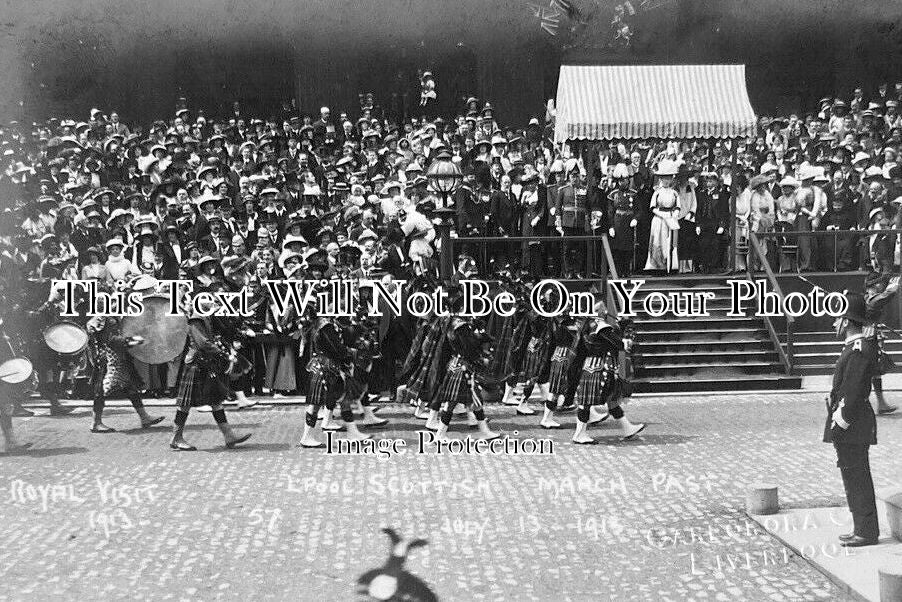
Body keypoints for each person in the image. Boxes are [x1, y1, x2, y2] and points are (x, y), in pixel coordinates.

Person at [824, 292, 879, 547]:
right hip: (851, 425)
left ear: (846, 321)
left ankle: (866, 532)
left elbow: (854, 391)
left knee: (857, 477)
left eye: (837, 319)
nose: (834, 324)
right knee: (852, 475)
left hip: (853, 425)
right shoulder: (854, 347)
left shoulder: (858, 349)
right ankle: (861, 527)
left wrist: (840, 422)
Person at [170, 299, 252, 451]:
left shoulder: (207, 317)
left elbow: (222, 332)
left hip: (206, 364)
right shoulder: (196, 320)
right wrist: (224, 355)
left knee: (215, 399)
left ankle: (228, 435)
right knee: (185, 404)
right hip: (196, 363)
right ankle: (176, 437)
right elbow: (203, 344)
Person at [85, 315, 164, 432]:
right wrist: (138, 340)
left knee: (130, 386)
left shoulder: (112, 317)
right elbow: (111, 340)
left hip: (118, 358)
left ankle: (144, 417)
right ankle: (96, 422)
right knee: (100, 391)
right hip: (106, 360)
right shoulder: (101, 318)